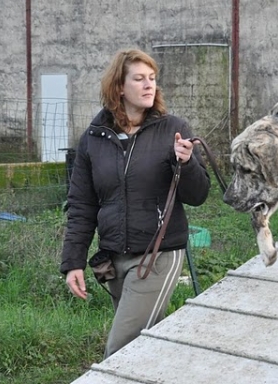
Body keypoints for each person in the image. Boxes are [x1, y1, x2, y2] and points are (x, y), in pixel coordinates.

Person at [60, 48, 211, 358]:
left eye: (152, 79)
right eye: (139, 79)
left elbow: (198, 195)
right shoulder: (94, 138)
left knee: (119, 350)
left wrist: (186, 163)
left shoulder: (173, 130)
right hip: (114, 260)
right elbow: (82, 206)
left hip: (158, 257)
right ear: (119, 87)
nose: (148, 85)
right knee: (145, 351)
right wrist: (73, 261)